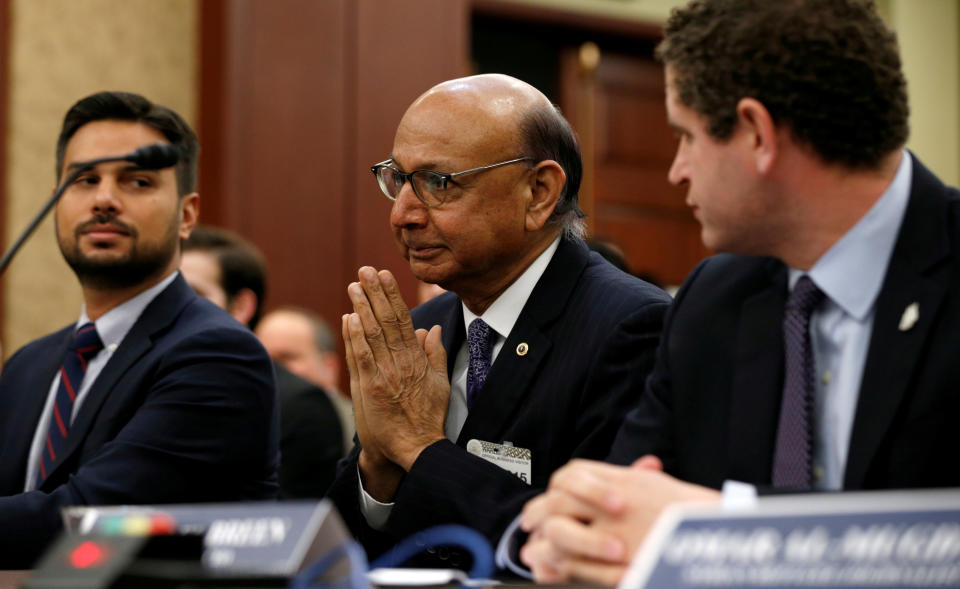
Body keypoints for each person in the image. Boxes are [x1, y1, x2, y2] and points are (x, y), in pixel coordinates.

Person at [518, 0, 960, 584]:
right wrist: (578, 530)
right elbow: (619, 510)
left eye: (686, 136)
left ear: (756, 133)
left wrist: (728, 531)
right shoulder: (712, 300)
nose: (677, 171)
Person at [326, 73, 671, 564]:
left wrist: (420, 449)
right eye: (398, 179)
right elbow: (333, 555)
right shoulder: (421, 328)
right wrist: (379, 467)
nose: (402, 214)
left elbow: (592, 543)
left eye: (438, 183)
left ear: (539, 191)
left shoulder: (632, 328)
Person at [0, 91, 279, 568]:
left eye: (137, 182)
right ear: (55, 205)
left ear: (187, 215)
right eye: (84, 180)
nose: (104, 200)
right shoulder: (29, 365)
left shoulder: (218, 354)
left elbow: (92, 522)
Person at [181, 225, 344, 497]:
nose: (175, 307)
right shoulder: (145, 381)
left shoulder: (299, 406)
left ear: (240, 306)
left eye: (193, 295)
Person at [256, 306, 355, 452]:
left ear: (329, 367)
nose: (272, 370)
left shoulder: (362, 433)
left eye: (286, 358)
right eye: (264, 360)